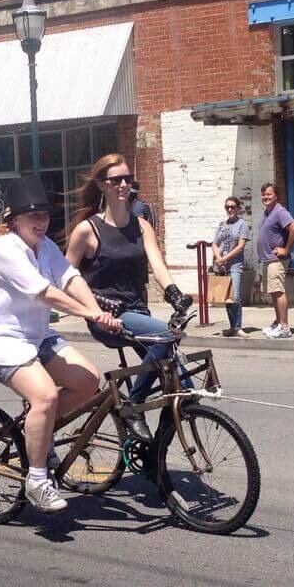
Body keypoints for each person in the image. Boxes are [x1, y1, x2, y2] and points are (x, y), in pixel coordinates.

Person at [0, 175, 120, 514]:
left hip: (36, 337)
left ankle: (39, 429)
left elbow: (70, 279)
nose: (41, 221)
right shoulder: (5, 249)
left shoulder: (46, 247)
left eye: (45, 215)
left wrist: (95, 309)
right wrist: (91, 316)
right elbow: (47, 293)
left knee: (88, 381)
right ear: (14, 219)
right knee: (45, 395)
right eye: (32, 215)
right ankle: (36, 481)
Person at [65, 153, 193, 444]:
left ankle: (154, 455)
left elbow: (158, 266)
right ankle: (133, 408)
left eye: (127, 179)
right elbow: (66, 278)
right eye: (116, 180)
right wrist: (93, 308)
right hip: (107, 317)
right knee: (164, 335)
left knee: (183, 386)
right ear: (102, 185)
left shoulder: (142, 225)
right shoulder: (88, 230)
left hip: (138, 314)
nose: (124, 185)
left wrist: (175, 295)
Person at [257, 182, 294, 339]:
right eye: (264, 194)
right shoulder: (267, 212)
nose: (266, 196)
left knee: (278, 291)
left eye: (269, 194)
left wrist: (286, 249)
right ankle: (277, 323)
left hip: (277, 260)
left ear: (276, 196)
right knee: (274, 293)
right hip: (268, 260)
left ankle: (284, 327)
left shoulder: (280, 211)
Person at [213, 196, 250, 338]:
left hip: (235, 265)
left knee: (236, 296)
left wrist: (224, 258)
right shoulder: (222, 225)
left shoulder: (242, 225)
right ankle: (232, 327)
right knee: (227, 298)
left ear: (238, 208)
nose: (230, 209)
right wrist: (218, 259)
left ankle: (238, 327)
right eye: (227, 207)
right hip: (222, 267)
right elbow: (215, 244)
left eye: (233, 207)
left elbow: (240, 247)